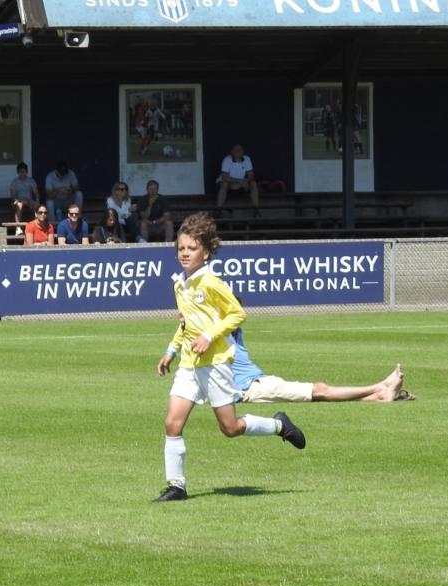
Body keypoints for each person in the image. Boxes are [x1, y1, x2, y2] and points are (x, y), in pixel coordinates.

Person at [152, 212, 304, 503]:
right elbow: (186, 324)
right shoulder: (180, 283)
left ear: (206, 252)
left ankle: (278, 425)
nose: (185, 253)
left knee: (230, 428)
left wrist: (209, 336)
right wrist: (171, 351)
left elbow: (237, 313)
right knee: (172, 423)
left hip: (216, 365)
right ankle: (177, 486)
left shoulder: (211, 282)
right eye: (181, 248)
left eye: (192, 248)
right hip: (188, 365)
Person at [231, 328, 409, 403]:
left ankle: (378, 394)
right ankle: (380, 387)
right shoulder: (216, 337)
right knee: (320, 390)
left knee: (319, 395)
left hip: (261, 383)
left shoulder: (235, 333)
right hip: (252, 388)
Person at [216, 143, 259, 213]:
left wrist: (246, 181)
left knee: (253, 183)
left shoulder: (247, 159)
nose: (239, 152)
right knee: (224, 184)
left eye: (241, 150)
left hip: (240, 182)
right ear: (232, 152)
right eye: (237, 150)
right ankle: (218, 210)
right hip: (228, 182)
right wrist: (240, 181)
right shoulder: (227, 159)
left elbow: (251, 175)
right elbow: (224, 177)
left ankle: (256, 209)